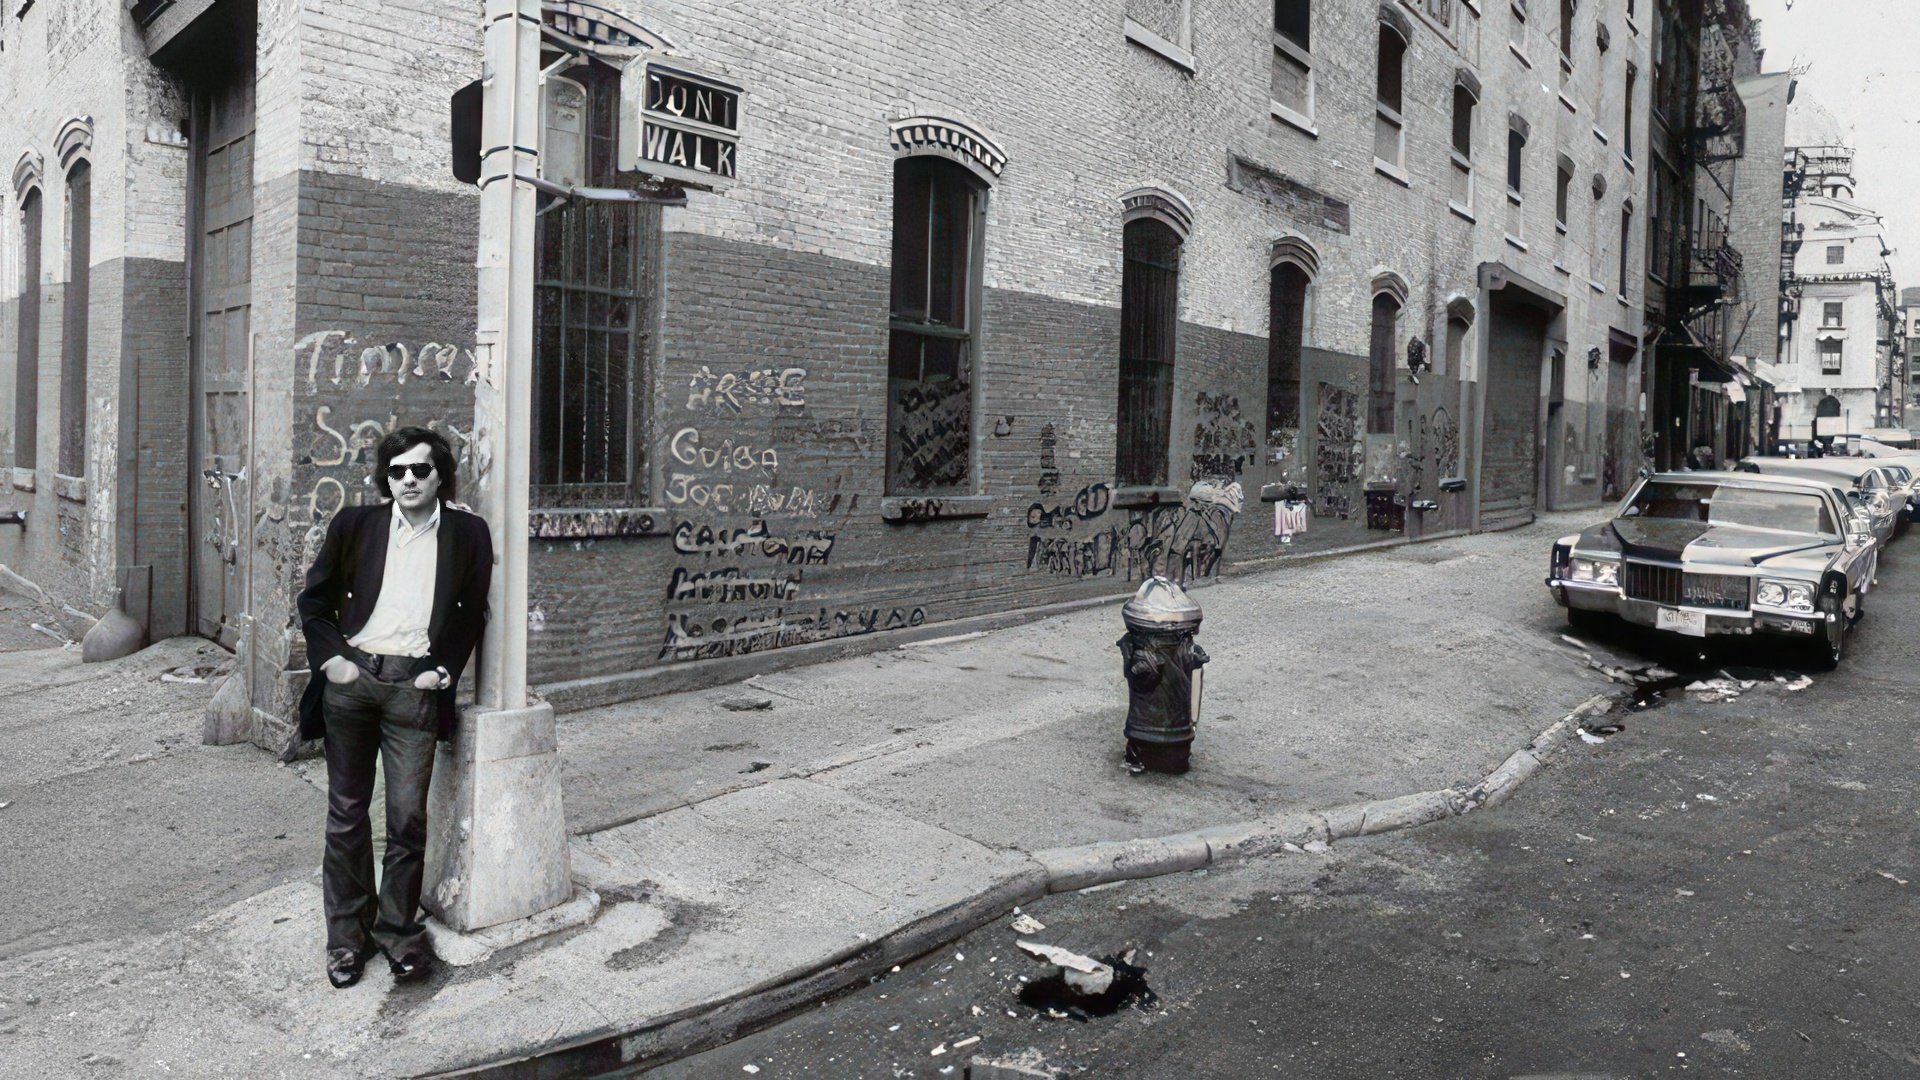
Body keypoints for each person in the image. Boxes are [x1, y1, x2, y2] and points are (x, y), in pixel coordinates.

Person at [296, 428, 493, 989]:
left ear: (440, 478)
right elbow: (314, 601)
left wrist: (444, 668)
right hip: (354, 682)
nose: (408, 479)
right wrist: (333, 661)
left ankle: (396, 932)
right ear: (386, 477)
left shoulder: (467, 533)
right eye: (397, 470)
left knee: (407, 819)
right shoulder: (354, 525)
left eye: (420, 471)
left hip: (415, 688)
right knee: (346, 815)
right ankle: (345, 940)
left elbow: (470, 611)